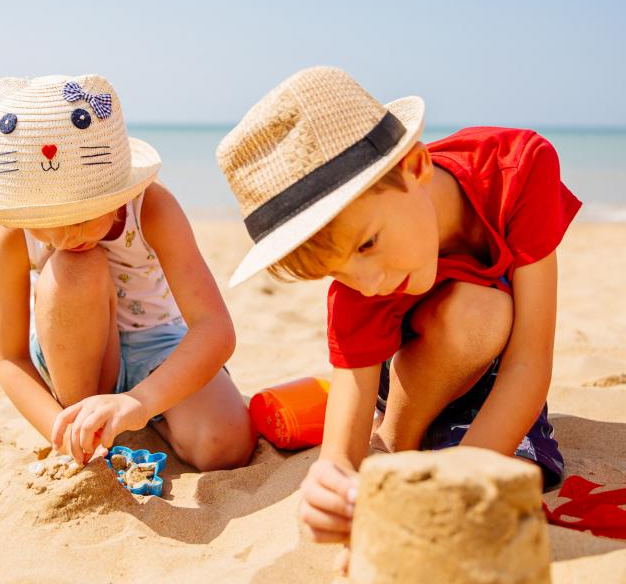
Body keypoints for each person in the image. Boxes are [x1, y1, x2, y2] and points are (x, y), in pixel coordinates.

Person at [217, 66, 581, 546]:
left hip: (505, 368)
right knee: (471, 324)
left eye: (368, 244)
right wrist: (331, 485)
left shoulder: (517, 169)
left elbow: (530, 361)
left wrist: (464, 474)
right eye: (338, 271)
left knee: (507, 473)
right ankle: (400, 436)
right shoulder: (359, 287)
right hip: (410, 373)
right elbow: (340, 457)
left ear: (415, 167)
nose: (368, 285)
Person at [0, 74, 256, 470]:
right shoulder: (10, 236)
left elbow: (214, 328)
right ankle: (88, 419)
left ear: (118, 193)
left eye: (80, 217)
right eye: (45, 221)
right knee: (76, 268)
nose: (63, 236)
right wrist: (60, 432)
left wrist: (140, 402)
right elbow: (9, 358)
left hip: (159, 343)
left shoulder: (153, 209)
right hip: (72, 346)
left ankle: (139, 415)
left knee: (225, 444)